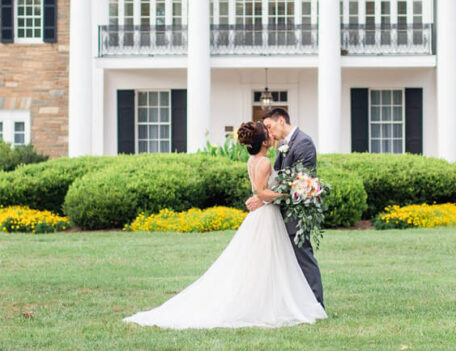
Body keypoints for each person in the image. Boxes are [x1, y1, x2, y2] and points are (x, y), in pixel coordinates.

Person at [122, 120, 326, 329]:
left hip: (262, 214)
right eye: (267, 132)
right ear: (263, 141)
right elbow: (261, 192)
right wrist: (287, 194)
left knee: (262, 262)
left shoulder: (252, 160)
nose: (271, 134)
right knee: (268, 260)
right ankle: (270, 303)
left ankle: (269, 300)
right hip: (267, 215)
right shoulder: (264, 162)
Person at [246, 107, 324, 309]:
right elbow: (279, 180)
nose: (269, 132)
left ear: (281, 120)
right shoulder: (282, 146)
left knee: (303, 257)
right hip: (279, 213)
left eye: (270, 126)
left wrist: (263, 197)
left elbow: (301, 183)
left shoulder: (303, 143)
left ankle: (316, 304)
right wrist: (262, 196)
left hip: (295, 213)